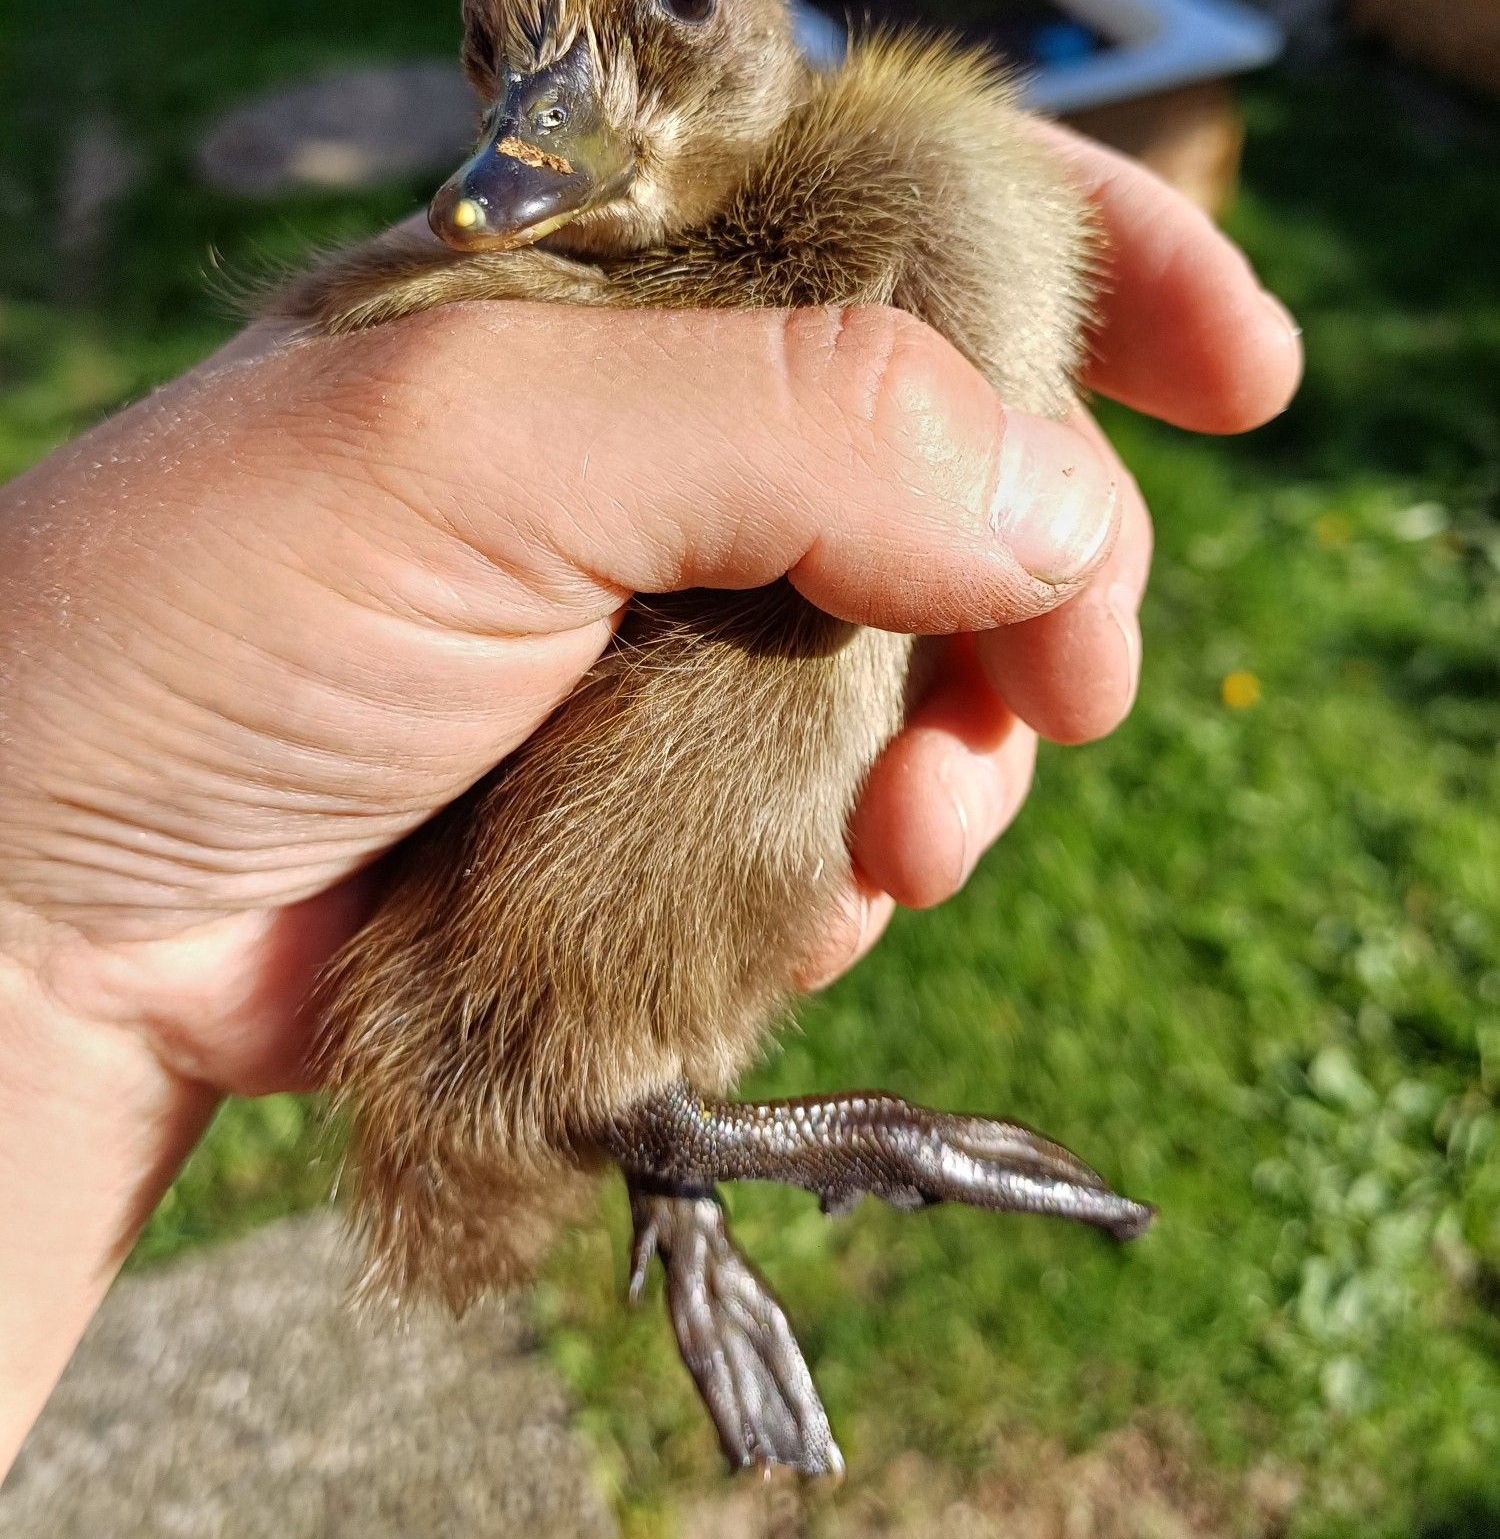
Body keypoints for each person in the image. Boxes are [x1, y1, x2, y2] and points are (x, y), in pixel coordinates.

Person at [0, 126, 1300, 1474]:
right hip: (486, 971)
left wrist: (42, 934)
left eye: (672, 4)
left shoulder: (843, 204)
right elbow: (381, 304)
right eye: (504, 66)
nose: (552, 107)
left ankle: (670, 1144)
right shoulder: (636, 309)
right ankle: (679, 1133)